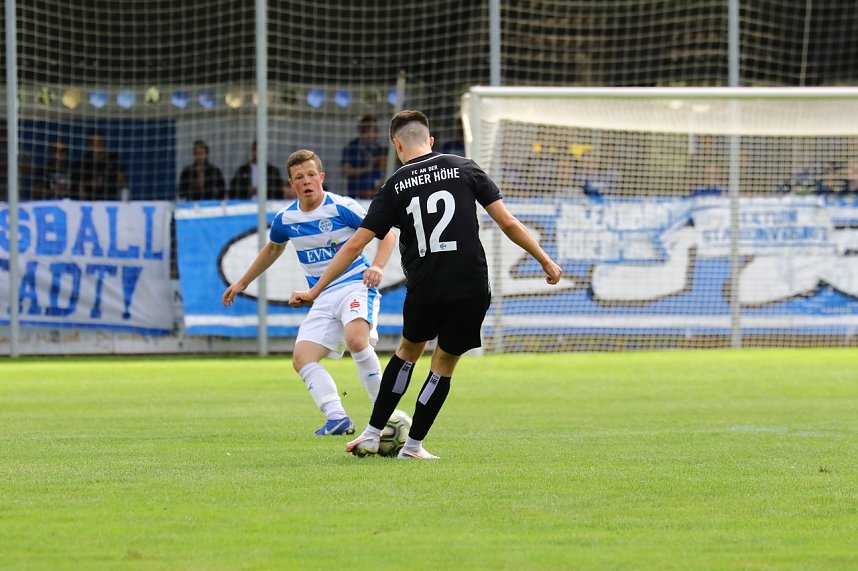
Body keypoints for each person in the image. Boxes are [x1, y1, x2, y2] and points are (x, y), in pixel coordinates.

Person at [290, 110, 563, 460]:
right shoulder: (465, 167)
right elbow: (508, 223)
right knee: (444, 363)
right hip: (469, 284)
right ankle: (413, 446)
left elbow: (355, 245)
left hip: (425, 285)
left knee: (407, 354)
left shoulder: (395, 185)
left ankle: (372, 434)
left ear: (397, 144)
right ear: (430, 140)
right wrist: (544, 259)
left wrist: (314, 291)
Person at [223, 149, 397, 436]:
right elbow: (273, 248)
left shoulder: (342, 207)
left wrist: (377, 265)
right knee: (302, 357)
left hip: (355, 285)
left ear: (322, 177)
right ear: (292, 184)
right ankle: (337, 417)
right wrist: (242, 283)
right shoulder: (286, 219)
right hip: (322, 295)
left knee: (357, 340)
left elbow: (387, 233)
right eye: (299, 177)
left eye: (311, 175)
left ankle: (384, 413)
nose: (306, 181)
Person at [73, 130, 128, 200]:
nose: (96, 146)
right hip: (89, 202)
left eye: (99, 142)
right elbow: (78, 186)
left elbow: (123, 183)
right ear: (89, 144)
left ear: (104, 143)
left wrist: (124, 202)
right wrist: (90, 184)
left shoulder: (114, 159)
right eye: (93, 143)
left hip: (110, 201)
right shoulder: (81, 163)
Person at [341, 115, 387, 199]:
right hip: (356, 196)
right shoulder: (352, 147)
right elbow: (346, 172)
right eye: (375, 129)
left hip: (376, 196)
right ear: (365, 130)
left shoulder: (378, 148)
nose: (377, 132)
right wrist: (367, 168)